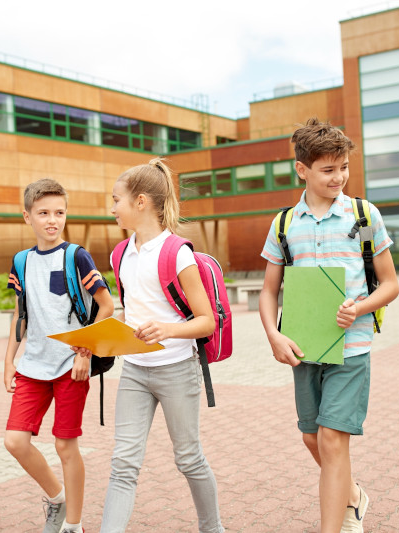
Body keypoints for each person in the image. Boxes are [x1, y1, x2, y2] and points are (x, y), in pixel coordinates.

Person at [258, 118, 399, 533]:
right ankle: (353, 495)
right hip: (305, 350)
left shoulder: (363, 214)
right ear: (302, 169)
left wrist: (359, 308)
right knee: (312, 438)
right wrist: (272, 334)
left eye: (344, 167)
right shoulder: (284, 224)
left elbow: (390, 285)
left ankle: (336, 525)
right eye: (328, 169)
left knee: (334, 440)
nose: (339, 177)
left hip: (351, 348)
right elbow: (269, 292)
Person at [100, 158, 224, 533]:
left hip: (176, 370)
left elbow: (207, 320)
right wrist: (97, 338)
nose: (112, 207)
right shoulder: (120, 254)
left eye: (116, 199)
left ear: (140, 202)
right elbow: (130, 312)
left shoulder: (177, 253)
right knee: (123, 463)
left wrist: (167, 330)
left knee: (188, 459)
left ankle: (212, 529)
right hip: (135, 371)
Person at [4, 178, 114, 533]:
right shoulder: (20, 261)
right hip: (32, 367)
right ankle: (57, 496)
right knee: (15, 441)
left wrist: (85, 352)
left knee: (66, 446)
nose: (52, 220)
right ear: (27, 217)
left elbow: (107, 306)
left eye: (59, 212)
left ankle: (73, 523)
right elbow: (21, 314)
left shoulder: (76, 256)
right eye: (43, 213)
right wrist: (9, 361)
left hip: (71, 368)